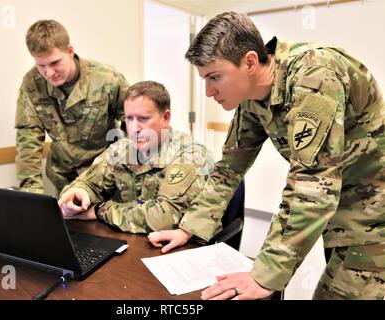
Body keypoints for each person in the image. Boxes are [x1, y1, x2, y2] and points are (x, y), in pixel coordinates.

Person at [148, 12, 385, 300]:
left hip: (374, 213)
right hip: (342, 214)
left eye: (214, 77)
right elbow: (229, 169)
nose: (209, 92)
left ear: (249, 62)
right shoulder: (251, 98)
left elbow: (311, 187)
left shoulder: (315, 76)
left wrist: (264, 275)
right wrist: (189, 227)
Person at [58, 81, 214, 238]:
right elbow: (89, 183)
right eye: (129, 118)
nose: (134, 128)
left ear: (166, 117)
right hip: (132, 241)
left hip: (180, 250)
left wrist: (101, 211)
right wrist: (79, 193)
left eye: (143, 118)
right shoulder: (121, 150)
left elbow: (164, 218)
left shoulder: (190, 155)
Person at [15, 20, 129, 194]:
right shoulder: (32, 84)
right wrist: (32, 195)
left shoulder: (106, 79)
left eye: (54, 63)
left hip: (105, 179)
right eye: (41, 66)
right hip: (64, 180)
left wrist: (119, 164)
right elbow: (28, 142)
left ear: (69, 51)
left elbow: (134, 124)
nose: (49, 73)